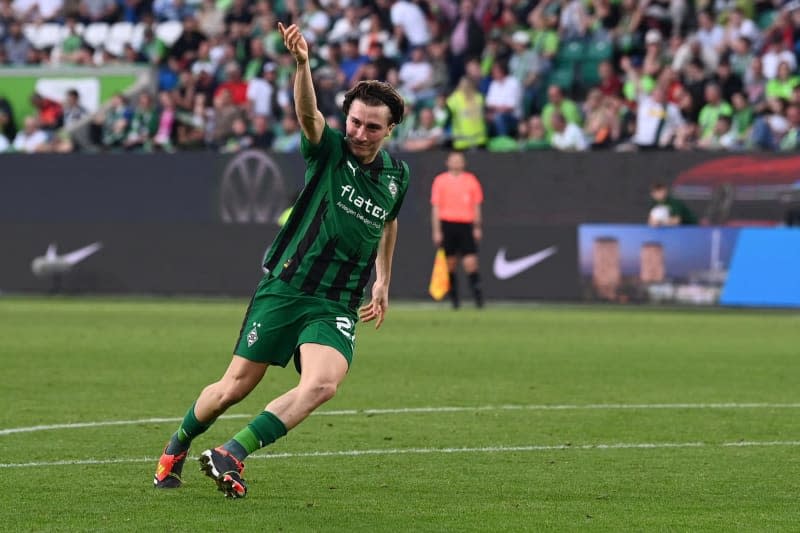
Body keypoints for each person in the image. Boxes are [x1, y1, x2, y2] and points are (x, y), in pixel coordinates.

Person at [153, 22, 409, 499]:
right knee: (233, 388)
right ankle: (179, 443)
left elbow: (389, 222)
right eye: (355, 121)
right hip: (286, 287)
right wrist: (303, 64)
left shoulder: (398, 175)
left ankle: (233, 452)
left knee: (323, 385)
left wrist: (382, 280)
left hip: (335, 301)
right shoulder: (331, 151)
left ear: (390, 129)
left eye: (372, 126)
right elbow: (309, 115)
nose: (360, 131)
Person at [430, 151, 484, 309]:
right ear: (447, 162)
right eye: (453, 160)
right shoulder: (440, 181)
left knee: (471, 263)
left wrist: (477, 226)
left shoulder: (471, 180)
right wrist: (437, 230)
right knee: (450, 264)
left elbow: (477, 205)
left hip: (466, 225)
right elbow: (435, 207)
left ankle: (478, 300)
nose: (456, 163)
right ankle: (455, 301)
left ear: (464, 163)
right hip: (447, 224)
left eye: (459, 160)